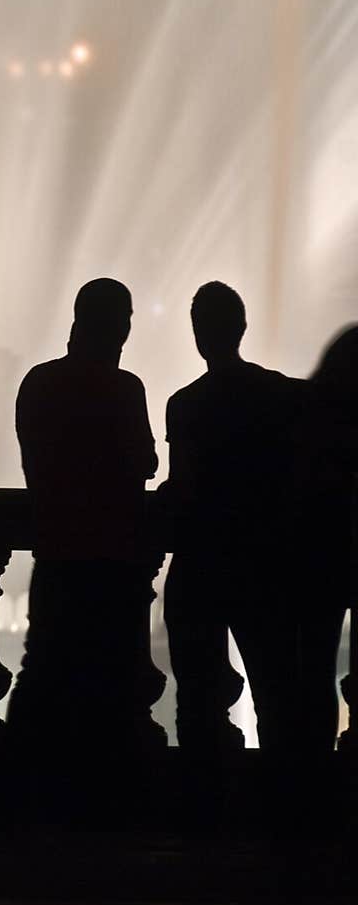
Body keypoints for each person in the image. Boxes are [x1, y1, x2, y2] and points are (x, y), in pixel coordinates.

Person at [4, 279, 162, 785]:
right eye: (126, 320)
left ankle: (20, 789)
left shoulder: (38, 383)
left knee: (43, 672)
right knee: (116, 679)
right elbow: (145, 462)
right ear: (116, 325)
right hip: (115, 558)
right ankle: (104, 793)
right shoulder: (123, 388)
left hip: (56, 550)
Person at [162, 282, 303, 756]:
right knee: (278, 692)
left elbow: (182, 486)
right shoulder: (281, 395)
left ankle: (202, 808)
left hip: (200, 562)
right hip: (266, 563)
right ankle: (282, 808)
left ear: (198, 335)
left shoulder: (185, 404)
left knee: (197, 697)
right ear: (242, 328)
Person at [292, 325, 358, 753]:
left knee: (313, 673)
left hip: (317, 560)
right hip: (335, 553)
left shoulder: (307, 418)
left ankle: (312, 770)